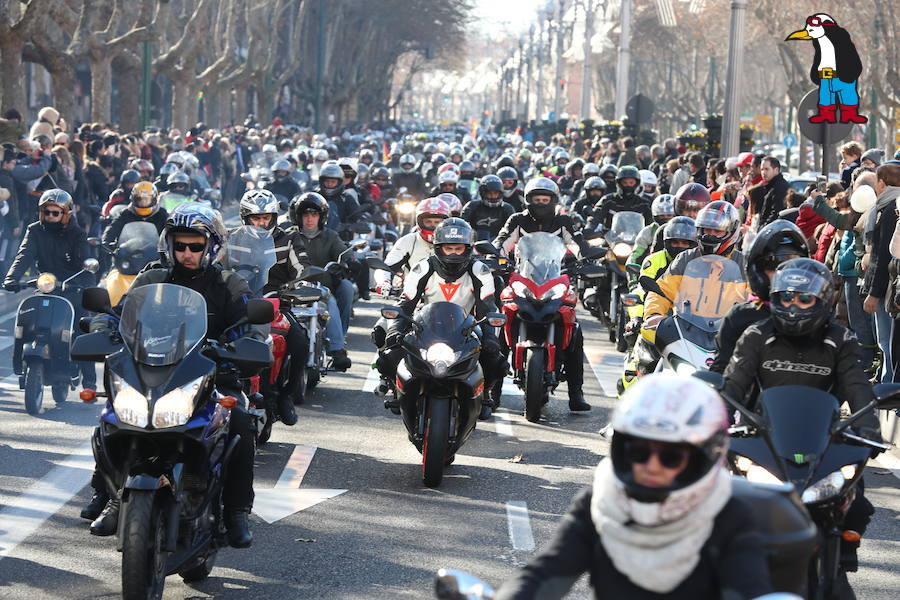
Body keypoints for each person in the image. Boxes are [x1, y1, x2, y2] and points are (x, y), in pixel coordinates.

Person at [495, 373, 774, 599]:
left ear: (703, 459)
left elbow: (749, 589)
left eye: (671, 456)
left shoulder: (728, 515)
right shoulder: (601, 502)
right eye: (638, 452)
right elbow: (545, 573)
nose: (651, 465)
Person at [82, 204, 262, 548]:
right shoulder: (151, 277)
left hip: (212, 374)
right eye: (180, 245)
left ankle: (236, 510)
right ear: (170, 244)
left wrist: (239, 343)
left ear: (212, 246)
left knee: (239, 421)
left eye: (195, 246)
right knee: (110, 420)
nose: (187, 253)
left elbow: (250, 322)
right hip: (153, 371)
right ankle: (111, 496)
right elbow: (122, 314)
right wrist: (102, 325)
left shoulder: (228, 282)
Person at [723, 258, 879, 573]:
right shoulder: (757, 334)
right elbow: (732, 385)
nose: (794, 306)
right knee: (723, 502)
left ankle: (844, 549)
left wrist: (869, 431)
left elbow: (858, 388)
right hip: (761, 437)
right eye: (786, 297)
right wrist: (714, 422)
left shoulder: (840, 339)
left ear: (822, 301)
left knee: (857, 503)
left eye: (804, 298)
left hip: (823, 442)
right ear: (774, 297)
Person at [376, 218, 505, 420]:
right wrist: (395, 331)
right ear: (438, 248)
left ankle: (485, 392)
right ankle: (398, 390)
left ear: (468, 249)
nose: (453, 253)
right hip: (424, 325)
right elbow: (406, 304)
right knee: (389, 354)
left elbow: (487, 307)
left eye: (458, 248)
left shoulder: (480, 270)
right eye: (448, 248)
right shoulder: (423, 268)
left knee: (496, 360)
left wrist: (490, 337)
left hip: (467, 327)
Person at [493, 177, 592, 411]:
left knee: (575, 335)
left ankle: (575, 393)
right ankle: (492, 391)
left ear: (553, 201)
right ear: (528, 200)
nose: (540, 203)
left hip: (554, 280)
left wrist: (582, 258)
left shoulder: (563, 221)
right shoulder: (517, 220)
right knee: (499, 328)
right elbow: (504, 240)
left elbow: (575, 242)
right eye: (536, 199)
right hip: (523, 278)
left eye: (545, 199)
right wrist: (495, 255)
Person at [3, 189, 96, 393]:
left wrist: (86, 284)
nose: (51, 217)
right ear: (41, 212)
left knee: (82, 325)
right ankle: (20, 363)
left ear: (66, 213)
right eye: (47, 212)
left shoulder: (77, 233)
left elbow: (86, 263)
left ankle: (89, 379)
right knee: (28, 319)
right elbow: (23, 255)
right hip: (46, 284)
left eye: (56, 213)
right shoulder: (34, 230)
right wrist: (11, 278)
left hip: (72, 286)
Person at [239, 189, 310, 423]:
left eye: (266, 218)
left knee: (300, 340)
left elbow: (302, 268)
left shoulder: (289, 238)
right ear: (245, 218)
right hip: (238, 304)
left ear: (274, 217)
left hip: (277, 302)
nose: (261, 222)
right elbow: (218, 265)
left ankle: (286, 395)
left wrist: (298, 285)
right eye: (256, 218)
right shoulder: (233, 239)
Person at [710, 220, 808, 373]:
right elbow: (721, 368)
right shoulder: (740, 317)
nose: (784, 274)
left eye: (793, 265)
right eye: (773, 264)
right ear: (758, 271)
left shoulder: (816, 317)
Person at [643, 201, 744, 329]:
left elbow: (754, 301)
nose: (710, 235)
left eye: (717, 231)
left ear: (731, 231)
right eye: (707, 229)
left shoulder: (743, 264)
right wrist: (654, 314)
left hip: (728, 336)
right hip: (687, 334)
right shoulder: (685, 259)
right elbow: (663, 291)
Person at [289, 192, 352, 370]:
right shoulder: (288, 235)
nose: (310, 219)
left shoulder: (330, 236)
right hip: (293, 288)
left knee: (339, 294)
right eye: (305, 215)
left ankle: (337, 349)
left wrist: (350, 261)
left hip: (322, 289)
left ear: (321, 217)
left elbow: (344, 254)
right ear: (298, 217)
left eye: (314, 215)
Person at [101, 181, 168, 247]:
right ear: (133, 199)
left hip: (156, 254)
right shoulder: (126, 213)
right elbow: (113, 228)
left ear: (154, 200)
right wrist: (106, 241)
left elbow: (170, 231)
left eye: (146, 200)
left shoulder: (162, 214)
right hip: (128, 253)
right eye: (139, 199)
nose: (143, 203)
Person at [586, 165, 652, 231]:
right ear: (619, 183)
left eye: (631, 183)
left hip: (637, 240)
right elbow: (594, 217)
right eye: (625, 182)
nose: (628, 185)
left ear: (636, 183)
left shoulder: (644, 204)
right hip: (610, 239)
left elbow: (652, 225)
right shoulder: (607, 200)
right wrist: (589, 228)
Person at [627, 194, 674, 277]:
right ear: (655, 216)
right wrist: (634, 282)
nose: (665, 219)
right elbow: (635, 257)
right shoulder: (647, 232)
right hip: (652, 276)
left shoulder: (686, 230)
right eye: (662, 216)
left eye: (669, 215)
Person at [460, 174, 514, 241]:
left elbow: (513, 232)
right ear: (483, 193)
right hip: (474, 245)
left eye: (495, 193)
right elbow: (462, 227)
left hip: (499, 246)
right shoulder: (471, 206)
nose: (493, 196)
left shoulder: (507, 209)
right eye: (489, 193)